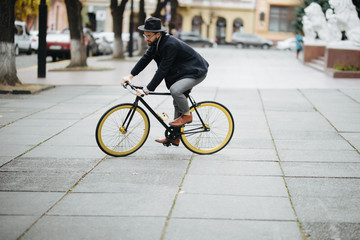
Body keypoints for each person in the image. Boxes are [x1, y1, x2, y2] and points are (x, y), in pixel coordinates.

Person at [121, 17, 209, 147]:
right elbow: (145, 59)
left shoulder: (169, 44)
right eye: (145, 35)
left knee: (175, 90)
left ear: (158, 34)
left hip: (196, 71)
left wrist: (147, 90)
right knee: (177, 101)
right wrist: (130, 76)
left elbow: (162, 70)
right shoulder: (156, 43)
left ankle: (187, 115)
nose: (146, 39)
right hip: (182, 72)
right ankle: (175, 137)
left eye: (149, 36)